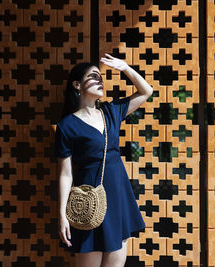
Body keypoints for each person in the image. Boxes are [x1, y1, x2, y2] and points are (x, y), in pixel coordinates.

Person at [55, 53, 153, 267]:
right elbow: (65, 173)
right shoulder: (67, 125)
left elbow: (147, 91)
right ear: (77, 85)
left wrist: (125, 67)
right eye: (93, 77)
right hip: (89, 201)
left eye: (101, 77)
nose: (100, 81)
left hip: (118, 195)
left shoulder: (111, 112)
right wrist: (62, 215)